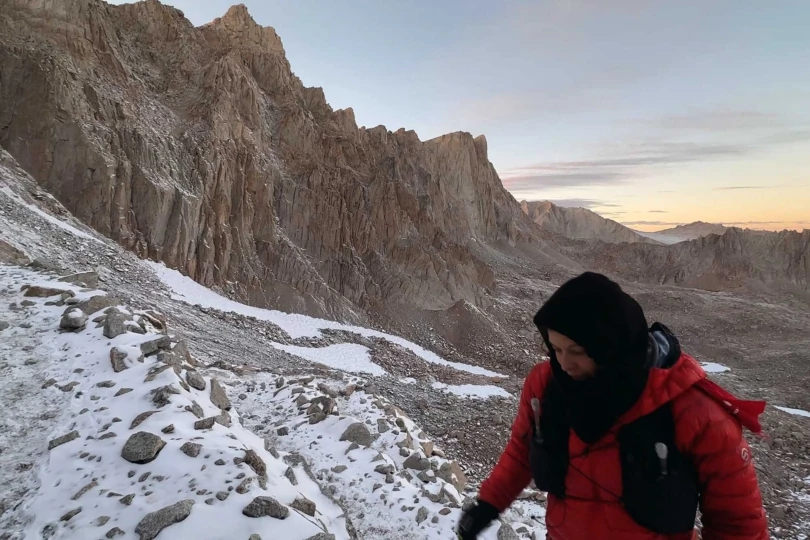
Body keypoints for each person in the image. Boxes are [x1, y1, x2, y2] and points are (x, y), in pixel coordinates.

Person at [457, 272, 769, 540]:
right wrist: (489, 504)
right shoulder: (546, 387)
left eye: (577, 350)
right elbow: (521, 452)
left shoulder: (693, 410)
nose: (564, 364)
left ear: (609, 345)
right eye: (555, 349)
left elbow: (738, 523)